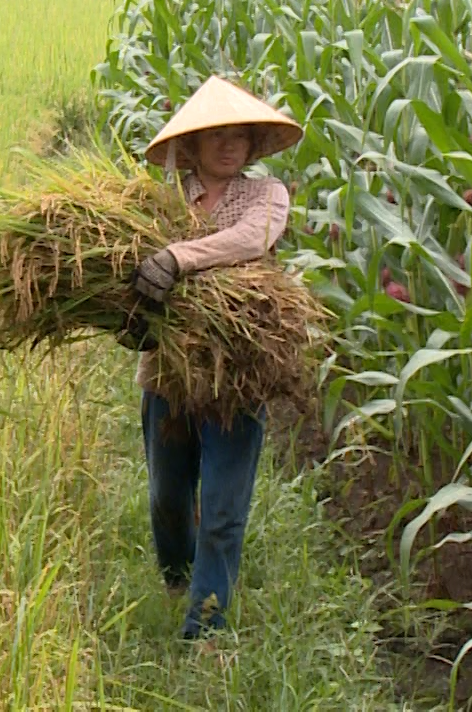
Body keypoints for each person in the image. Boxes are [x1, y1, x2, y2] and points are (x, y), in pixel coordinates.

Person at [118, 76, 303, 640]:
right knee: (167, 500)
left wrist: (178, 258)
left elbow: (250, 241)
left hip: (238, 380)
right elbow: (127, 276)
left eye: (240, 135)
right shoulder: (162, 205)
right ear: (192, 147)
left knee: (222, 511)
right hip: (168, 377)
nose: (230, 145)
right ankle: (177, 581)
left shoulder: (267, 196)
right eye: (216, 136)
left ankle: (205, 629)